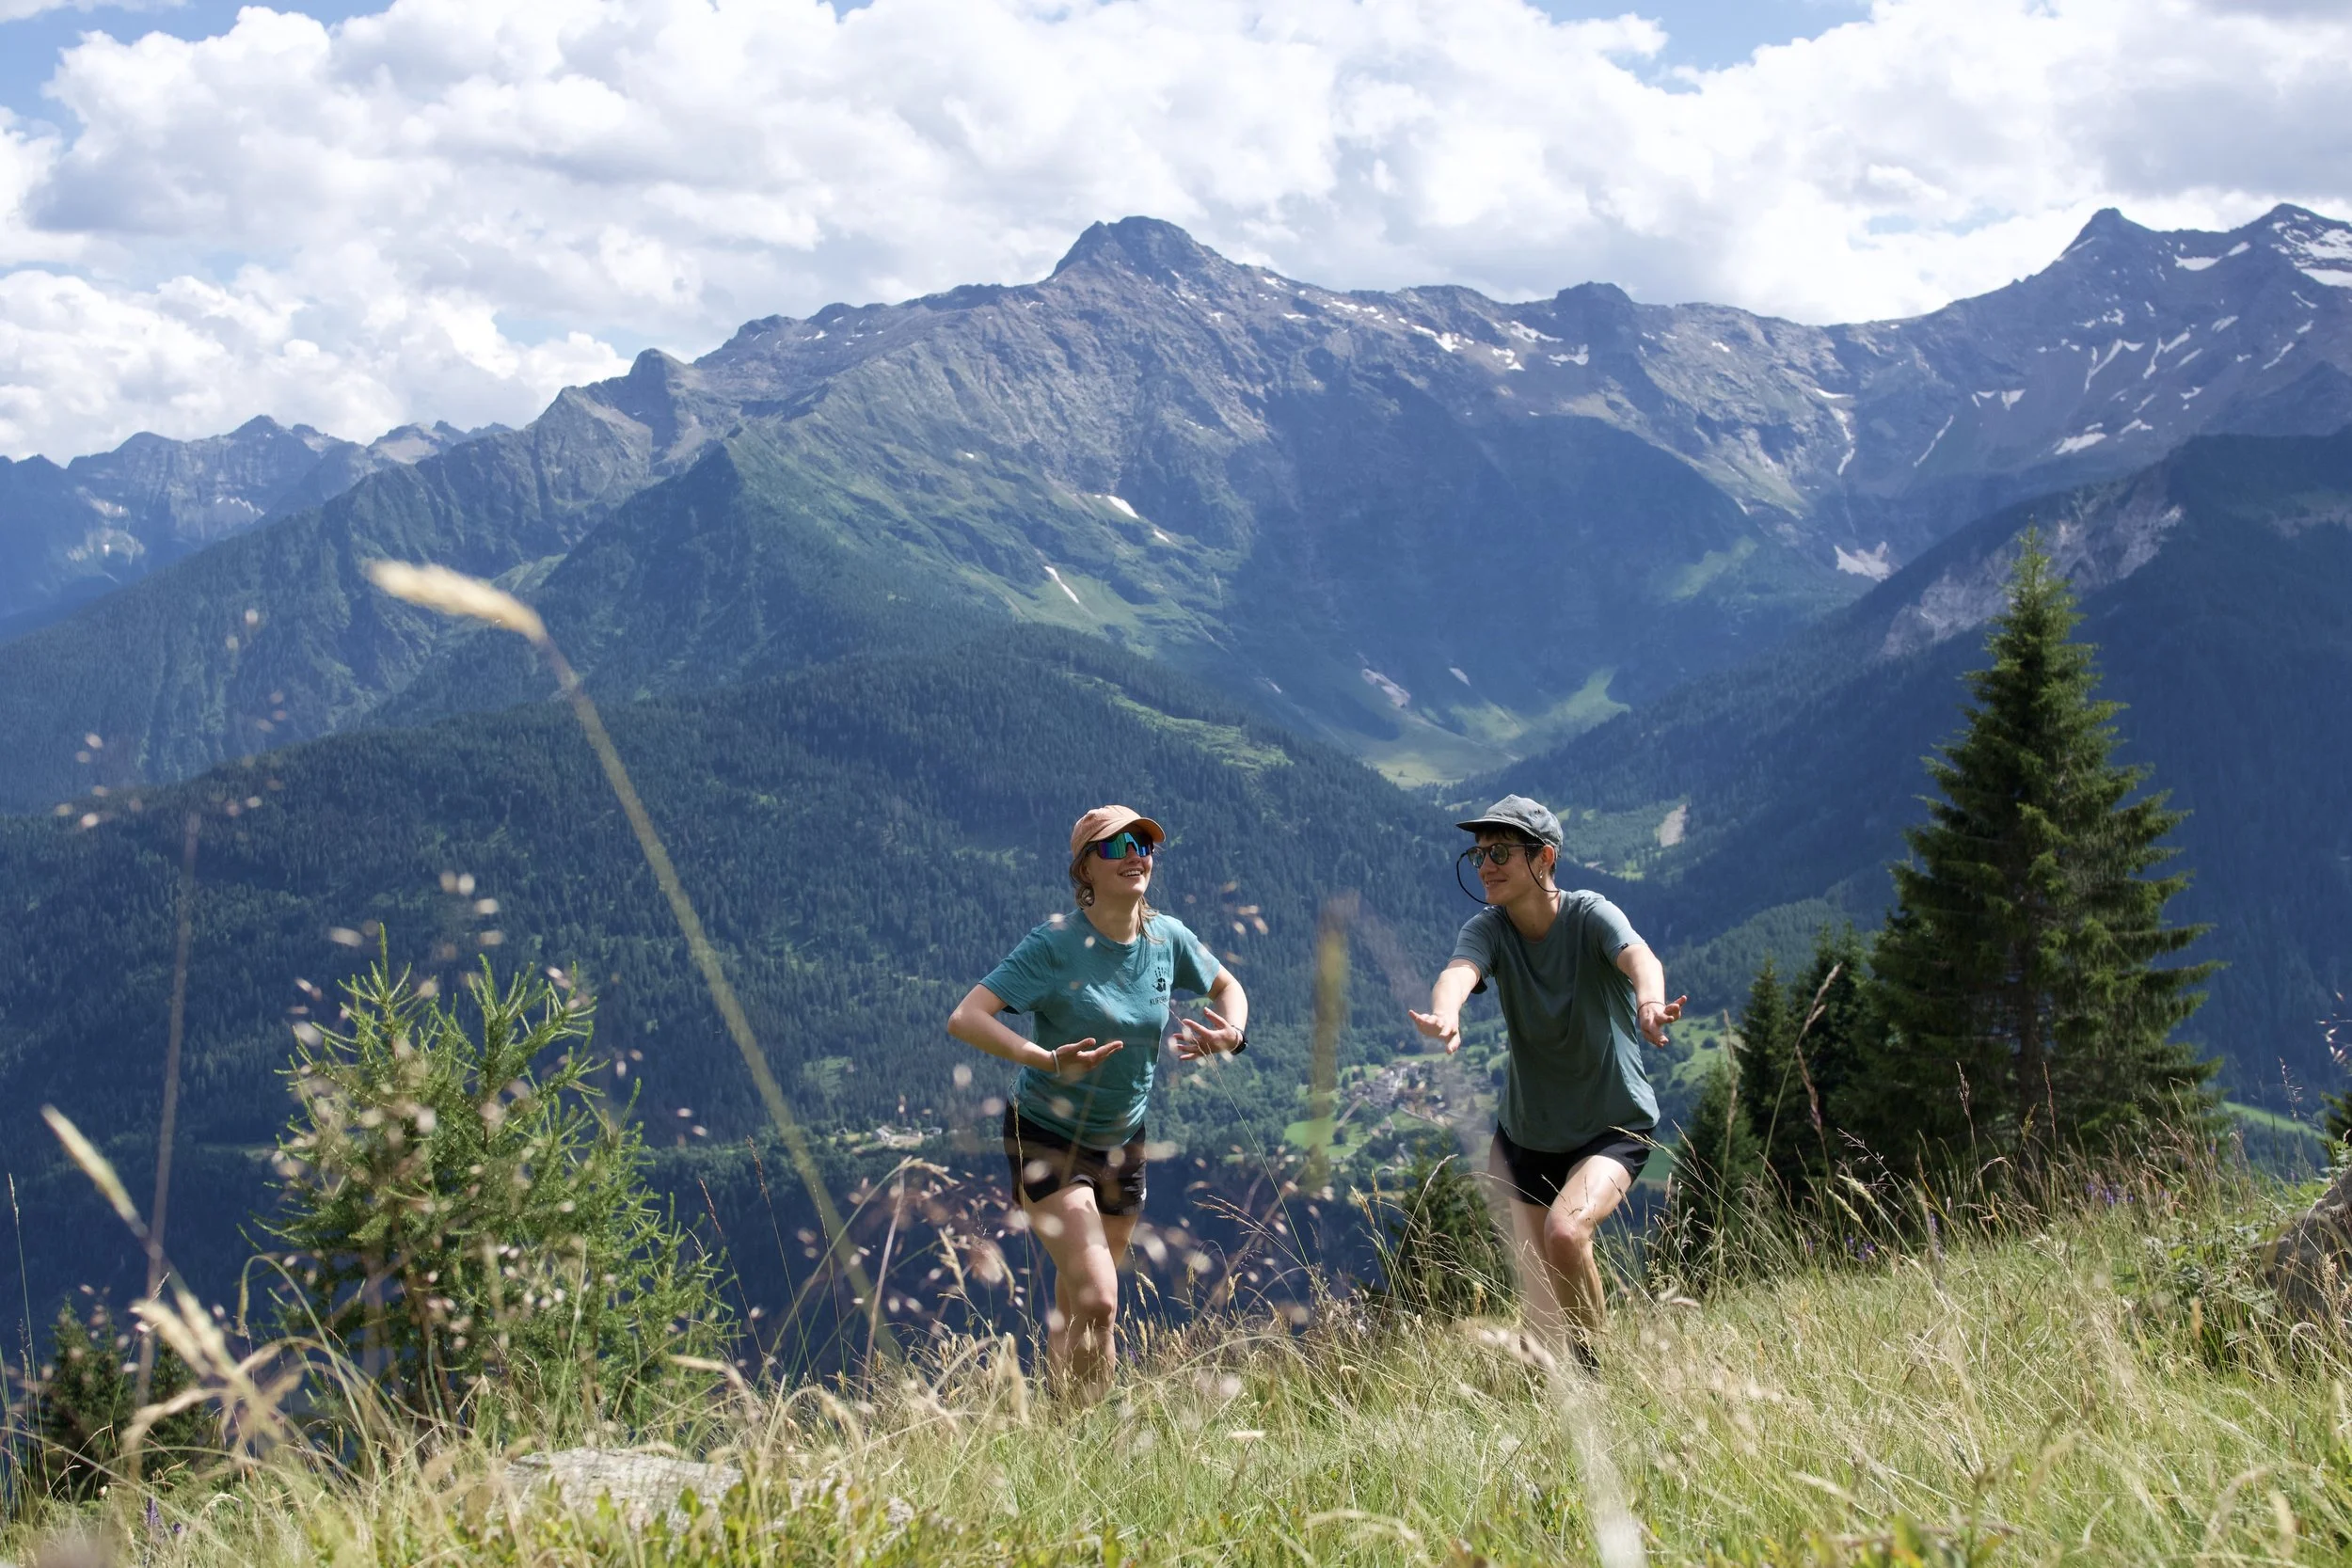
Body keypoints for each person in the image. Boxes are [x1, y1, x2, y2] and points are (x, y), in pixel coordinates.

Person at [947, 804, 1248, 1398]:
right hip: (1048, 1133)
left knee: (1078, 1301)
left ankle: (1062, 1434)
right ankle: (1094, 1438)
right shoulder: (1055, 945)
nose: (1136, 855)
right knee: (1101, 1298)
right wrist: (1045, 1058)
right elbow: (966, 1017)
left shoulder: (1167, 939)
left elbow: (1226, 985)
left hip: (1122, 1136)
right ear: (1084, 867)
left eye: (1144, 844)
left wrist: (1230, 1036)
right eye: (1116, 847)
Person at [1408, 794, 1683, 1361]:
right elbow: (1459, 971)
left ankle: (1594, 1374)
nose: (1485, 864)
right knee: (1540, 1291)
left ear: (1545, 859)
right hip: (1529, 1134)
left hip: (1612, 1124)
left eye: (1501, 851)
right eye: (1479, 853)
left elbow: (1640, 958)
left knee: (1566, 1234)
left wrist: (1649, 1004)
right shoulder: (1490, 928)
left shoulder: (1590, 915)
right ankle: (1552, 1384)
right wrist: (1447, 1013)